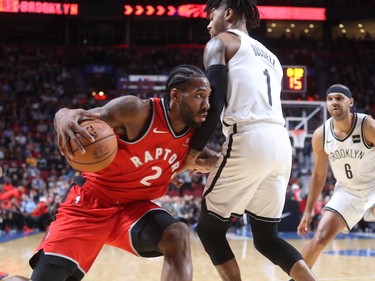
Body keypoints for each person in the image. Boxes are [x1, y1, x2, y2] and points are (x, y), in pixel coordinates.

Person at [6, 64, 211, 281]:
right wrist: (62, 114)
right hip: (89, 206)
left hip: (132, 210)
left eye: (208, 97)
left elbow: (215, 159)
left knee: (176, 233)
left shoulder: (194, 138)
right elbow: (78, 117)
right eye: (199, 96)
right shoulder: (136, 111)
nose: (206, 104)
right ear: (176, 95)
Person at [179, 1, 318, 280]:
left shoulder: (220, 43)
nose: (208, 24)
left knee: (209, 230)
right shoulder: (272, 57)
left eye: (211, 16)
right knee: (267, 239)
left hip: (248, 136)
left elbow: (214, 101)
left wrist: (193, 151)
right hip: (281, 142)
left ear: (228, 13)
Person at [294, 84, 375, 277]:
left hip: (373, 185)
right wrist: (308, 211)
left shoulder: (367, 125)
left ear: (351, 102)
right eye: (330, 99)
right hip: (346, 191)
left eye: (339, 98)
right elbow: (319, 175)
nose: (334, 102)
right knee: (320, 237)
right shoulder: (321, 135)